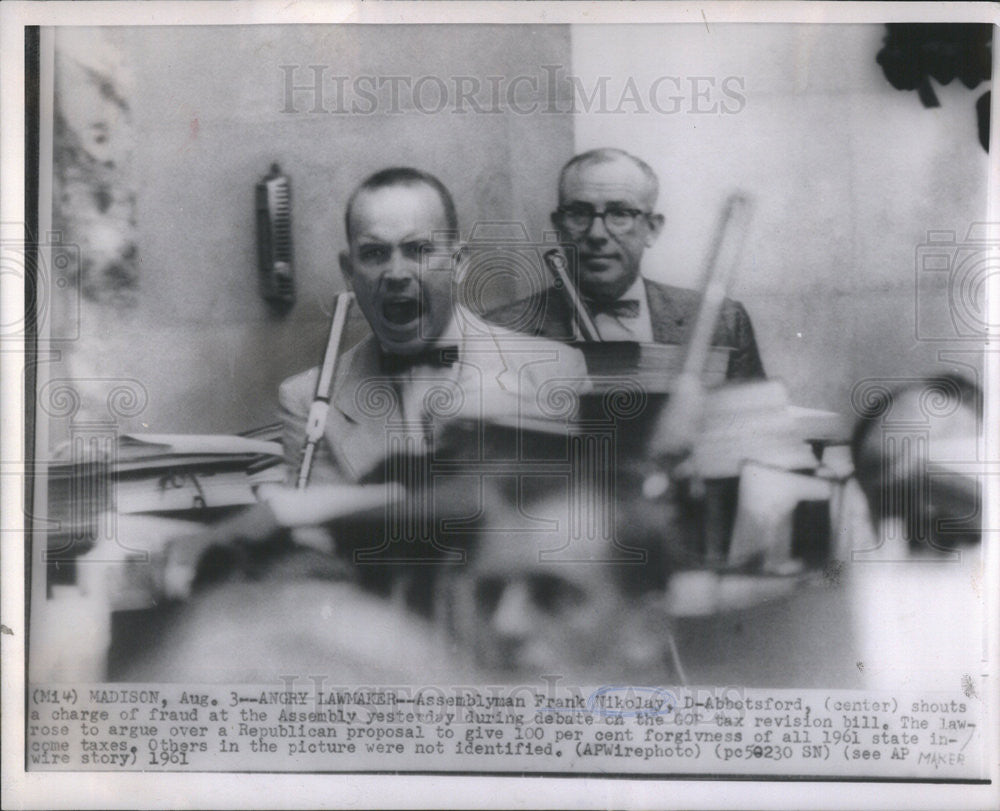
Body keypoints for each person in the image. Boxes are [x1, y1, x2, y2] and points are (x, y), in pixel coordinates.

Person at [279, 167, 590, 487]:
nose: (396, 273)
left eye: (419, 250)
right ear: (349, 271)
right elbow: (317, 532)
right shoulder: (307, 400)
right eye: (374, 253)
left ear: (458, 263)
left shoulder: (555, 374)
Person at [486, 148, 765, 381]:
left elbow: (755, 438)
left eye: (619, 213)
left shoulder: (724, 322)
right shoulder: (499, 334)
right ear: (558, 227)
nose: (597, 234)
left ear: (652, 229)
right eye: (579, 214)